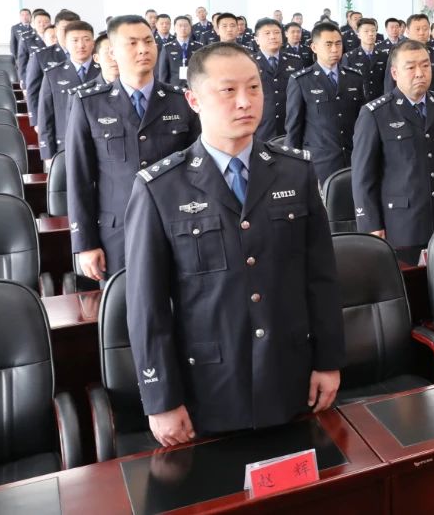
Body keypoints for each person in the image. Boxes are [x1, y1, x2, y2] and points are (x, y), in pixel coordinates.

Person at [125, 42, 344, 444]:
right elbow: (147, 307)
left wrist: (328, 361)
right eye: (228, 90)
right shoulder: (160, 188)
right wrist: (161, 399)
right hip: (209, 386)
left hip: (290, 374)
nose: (245, 102)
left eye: (254, 88)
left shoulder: (295, 171)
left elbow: (321, 277)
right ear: (193, 100)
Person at [66, 15, 199, 281]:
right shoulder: (89, 104)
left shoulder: (181, 101)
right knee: (124, 302)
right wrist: (85, 243)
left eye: (149, 41)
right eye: (133, 43)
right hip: (118, 232)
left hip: (179, 227)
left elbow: (198, 169)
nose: (143, 49)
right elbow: (79, 178)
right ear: (113, 53)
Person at [351, 40, 434, 253]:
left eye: (425, 65)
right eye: (411, 67)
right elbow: (363, 177)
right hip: (401, 223)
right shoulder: (375, 114)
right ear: (395, 73)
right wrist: (371, 225)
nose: (420, 73)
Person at [286, 22, 366, 186]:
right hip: (320, 162)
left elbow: (363, 122)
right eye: (328, 44)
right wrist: (292, 166)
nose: (335, 49)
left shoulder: (354, 77)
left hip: (353, 158)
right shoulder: (301, 80)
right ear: (314, 47)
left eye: (338, 44)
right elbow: (294, 128)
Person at [36, 19, 99, 161]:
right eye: (75, 40)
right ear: (65, 42)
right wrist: (48, 155)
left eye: (86, 39)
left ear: (93, 43)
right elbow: (45, 115)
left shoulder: (104, 71)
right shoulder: (53, 74)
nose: (81, 45)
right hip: (65, 146)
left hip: (100, 144)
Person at [25, 9, 80, 124]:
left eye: (73, 29)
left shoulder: (89, 54)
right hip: (54, 114)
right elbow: (33, 91)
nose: (69, 33)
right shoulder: (41, 56)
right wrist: (36, 121)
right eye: (64, 29)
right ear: (56, 29)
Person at [383, 14, 434, 96]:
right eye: (417, 29)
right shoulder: (398, 53)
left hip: (432, 102)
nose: (421, 33)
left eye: (425, 29)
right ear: (407, 31)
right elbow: (389, 85)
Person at [251, 18, 294, 142]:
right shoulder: (249, 63)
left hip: (289, 127)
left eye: (276, 33)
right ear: (257, 39)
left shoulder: (295, 61)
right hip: (261, 127)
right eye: (267, 33)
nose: (273, 37)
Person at [343, 17, 388, 100]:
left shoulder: (384, 56)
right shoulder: (349, 57)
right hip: (358, 101)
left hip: (379, 100)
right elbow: (346, 83)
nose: (371, 34)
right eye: (366, 31)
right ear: (358, 34)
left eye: (373, 31)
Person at [156, 15, 202, 87]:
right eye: (180, 26)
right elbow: (163, 73)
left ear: (190, 27)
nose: (183, 28)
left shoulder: (199, 46)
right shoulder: (167, 48)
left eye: (186, 25)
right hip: (174, 88)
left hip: (194, 86)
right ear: (174, 28)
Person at [14, 8, 50, 98]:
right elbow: (22, 63)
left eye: (46, 22)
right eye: (39, 22)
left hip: (51, 79)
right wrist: (24, 84)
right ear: (33, 24)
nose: (42, 24)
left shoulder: (55, 37)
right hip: (33, 78)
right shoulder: (26, 38)